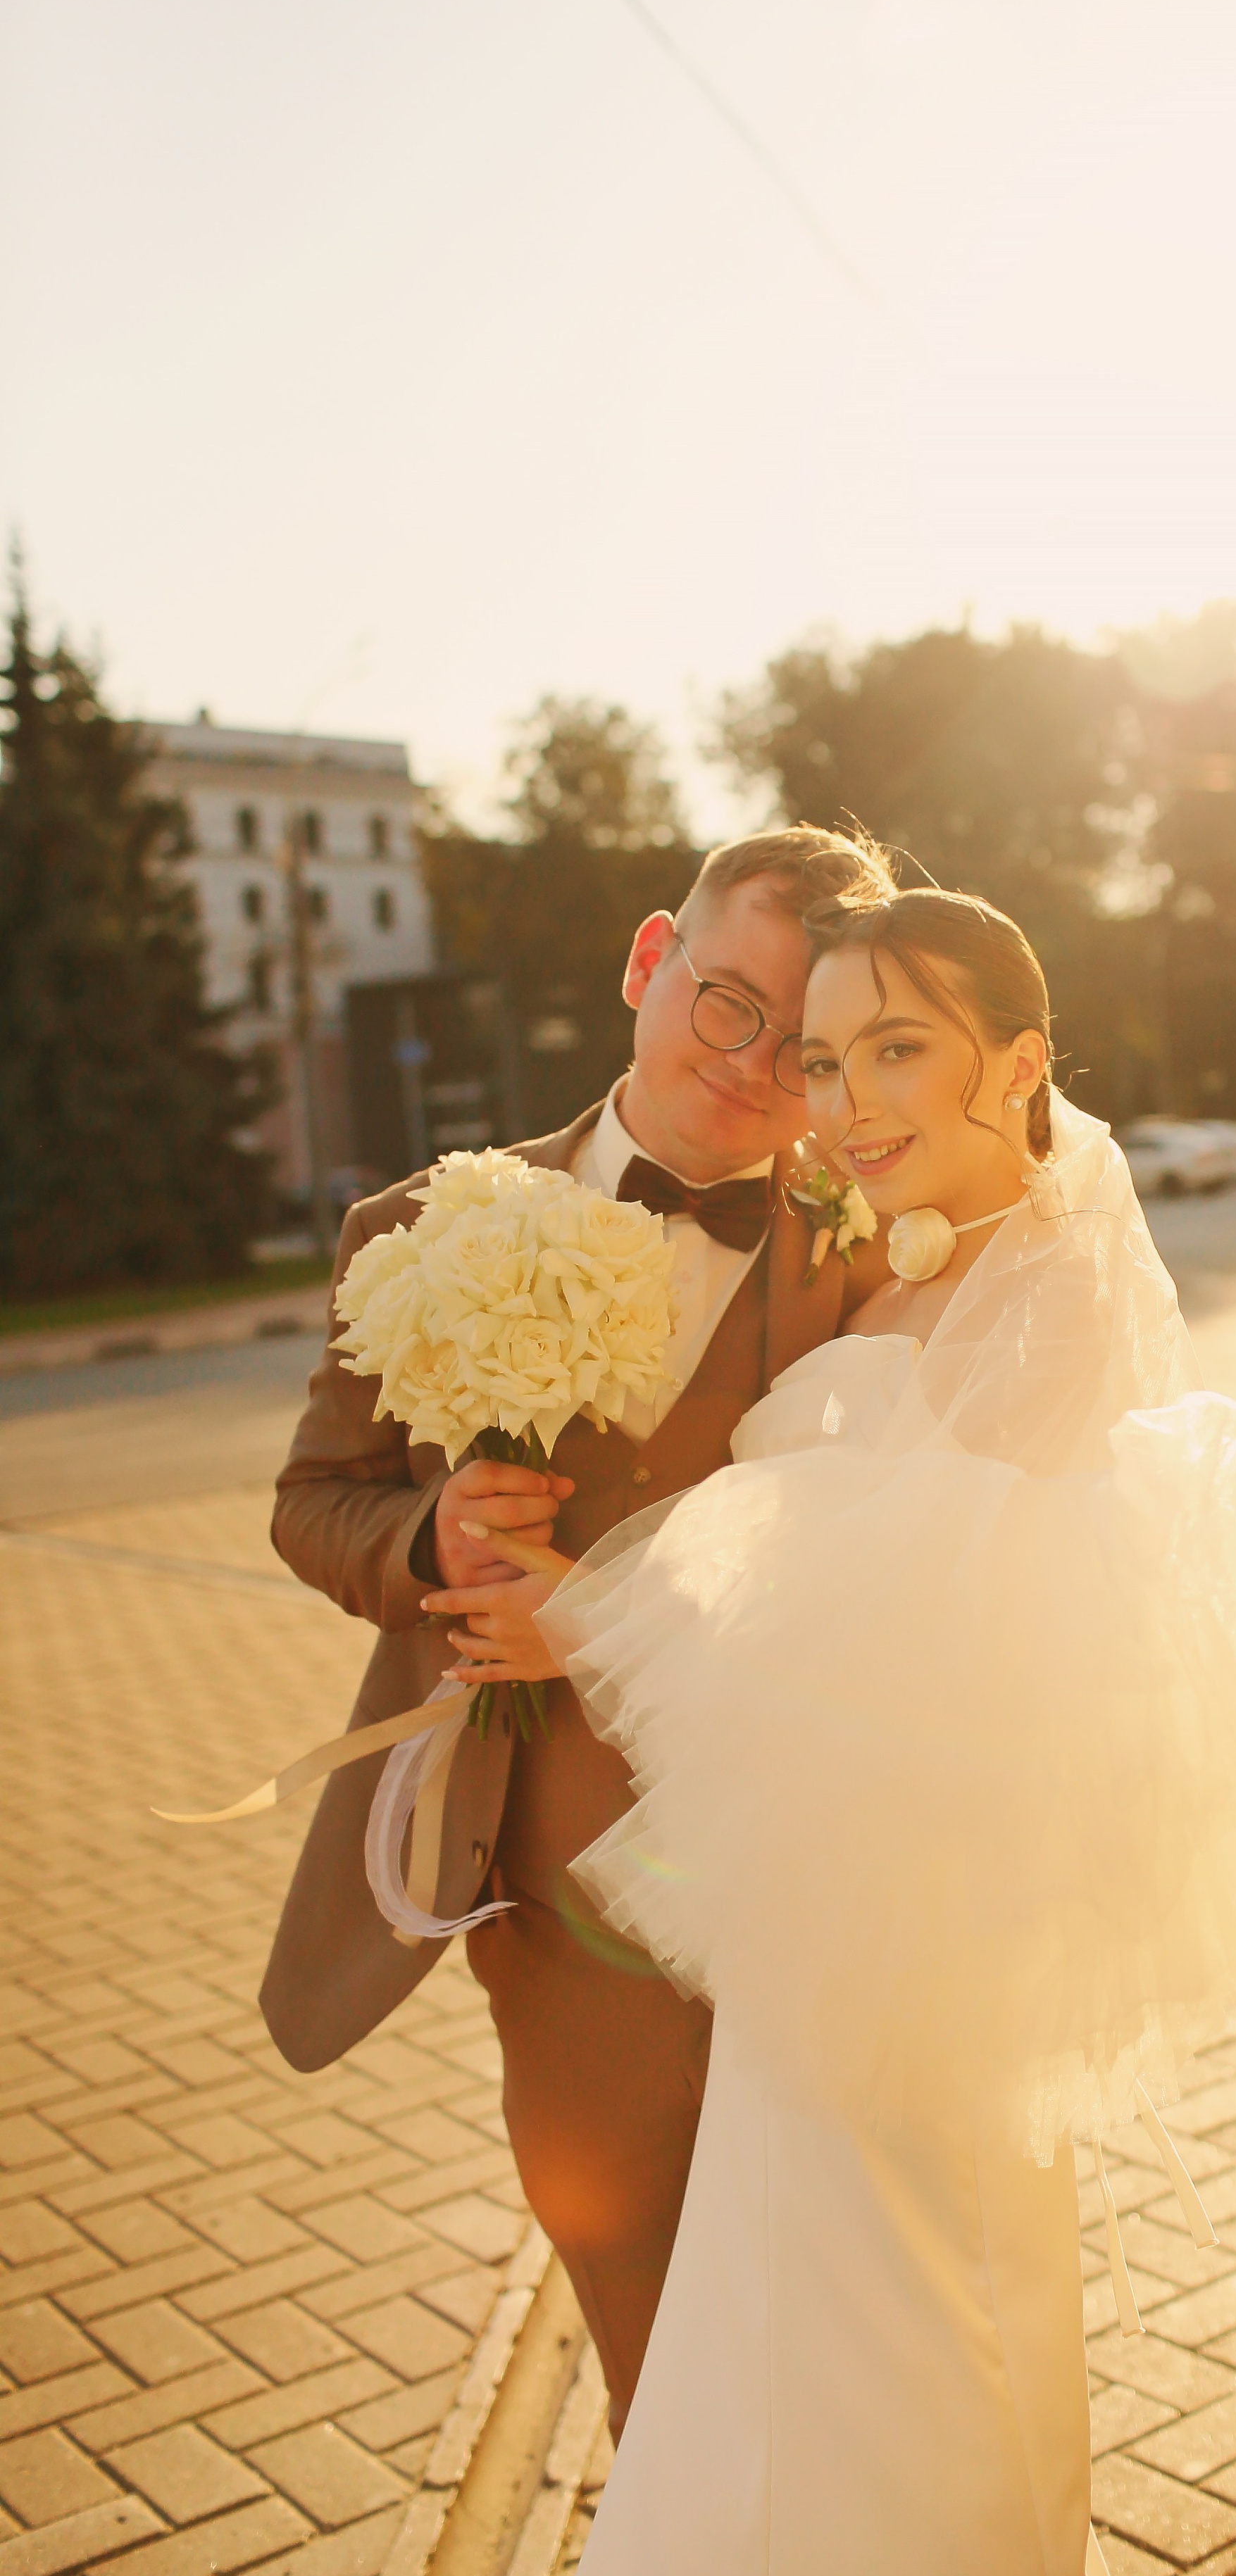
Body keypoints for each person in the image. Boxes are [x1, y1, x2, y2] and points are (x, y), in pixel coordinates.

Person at [436, 883, 1236, 2576]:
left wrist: (598, 1631)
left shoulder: (1040, 1309)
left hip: (893, 1972)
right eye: (823, 1055)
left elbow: (910, 1682)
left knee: (868, 2360)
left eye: (897, 1051)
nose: (847, 1098)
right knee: (868, 2360)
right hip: (856, 1967)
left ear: (1016, 1064)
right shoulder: (937, 1260)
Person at [261, 824, 894, 2439]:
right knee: (641, 2307)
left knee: (837, 2302)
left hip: (804, 1856)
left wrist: (610, 1617)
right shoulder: (413, 1226)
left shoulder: (863, 1250)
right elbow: (314, 1501)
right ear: (644, 965)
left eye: (803, 1042)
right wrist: (425, 1539)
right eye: (725, 1002)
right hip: (551, 1876)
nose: (752, 1069)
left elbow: (884, 1554)